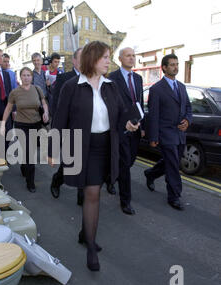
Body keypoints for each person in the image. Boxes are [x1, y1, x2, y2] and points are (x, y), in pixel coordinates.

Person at [48, 41, 139, 272]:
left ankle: (84, 233)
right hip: (80, 146)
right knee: (92, 193)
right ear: (93, 59)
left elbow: (120, 115)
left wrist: (128, 123)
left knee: (94, 191)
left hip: (104, 147)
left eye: (110, 57)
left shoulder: (111, 86)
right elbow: (60, 119)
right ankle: (90, 247)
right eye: (105, 57)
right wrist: (52, 149)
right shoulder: (71, 86)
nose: (110, 61)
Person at [144, 54, 192, 211]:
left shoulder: (182, 87)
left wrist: (187, 120)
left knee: (171, 161)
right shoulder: (157, 89)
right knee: (173, 165)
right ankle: (174, 196)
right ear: (164, 68)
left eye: (177, 64)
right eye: (172, 65)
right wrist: (153, 137)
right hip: (166, 133)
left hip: (180, 133)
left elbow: (188, 109)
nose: (176, 67)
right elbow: (153, 115)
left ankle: (151, 173)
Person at [108, 47, 146, 215]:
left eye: (133, 55)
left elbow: (139, 103)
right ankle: (126, 201)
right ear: (120, 59)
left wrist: (141, 125)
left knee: (129, 161)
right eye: (128, 56)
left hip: (136, 128)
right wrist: (121, 123)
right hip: (121, 127)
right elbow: (111, 106)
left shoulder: (138, 78)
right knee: (125, 165)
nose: (132, 58)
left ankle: (110, 177)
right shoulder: (113, 78)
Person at [0, 67, 49, 192]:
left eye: (28, 75)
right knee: (29, 153)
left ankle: (24, 165)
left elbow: (43, 103)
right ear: (20, 77)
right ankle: (30, 182)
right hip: (22, 125)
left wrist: (46, 113)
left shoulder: (37, 89)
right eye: (24, 75)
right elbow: (8, 108)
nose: (26, 77)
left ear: (32, 77)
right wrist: (3, 123)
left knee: (28, 151)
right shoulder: (15, 92)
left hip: (36, 124)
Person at [49, 48, 84, 205]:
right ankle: (57, 181)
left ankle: (82, 196)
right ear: (75, 61)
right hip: (70, 129)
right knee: (71, 162)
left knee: (85, 163)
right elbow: (55, 106)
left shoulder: (93, 78)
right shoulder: (64, 78)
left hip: (88, 129)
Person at [42, 52, 63, 117]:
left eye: (58, 62)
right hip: (42, 94)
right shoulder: (43, 68)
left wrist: (50, 85)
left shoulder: (59, 72)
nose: (57, 64)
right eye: (55, 62)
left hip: (52, 96)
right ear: (51, 61)